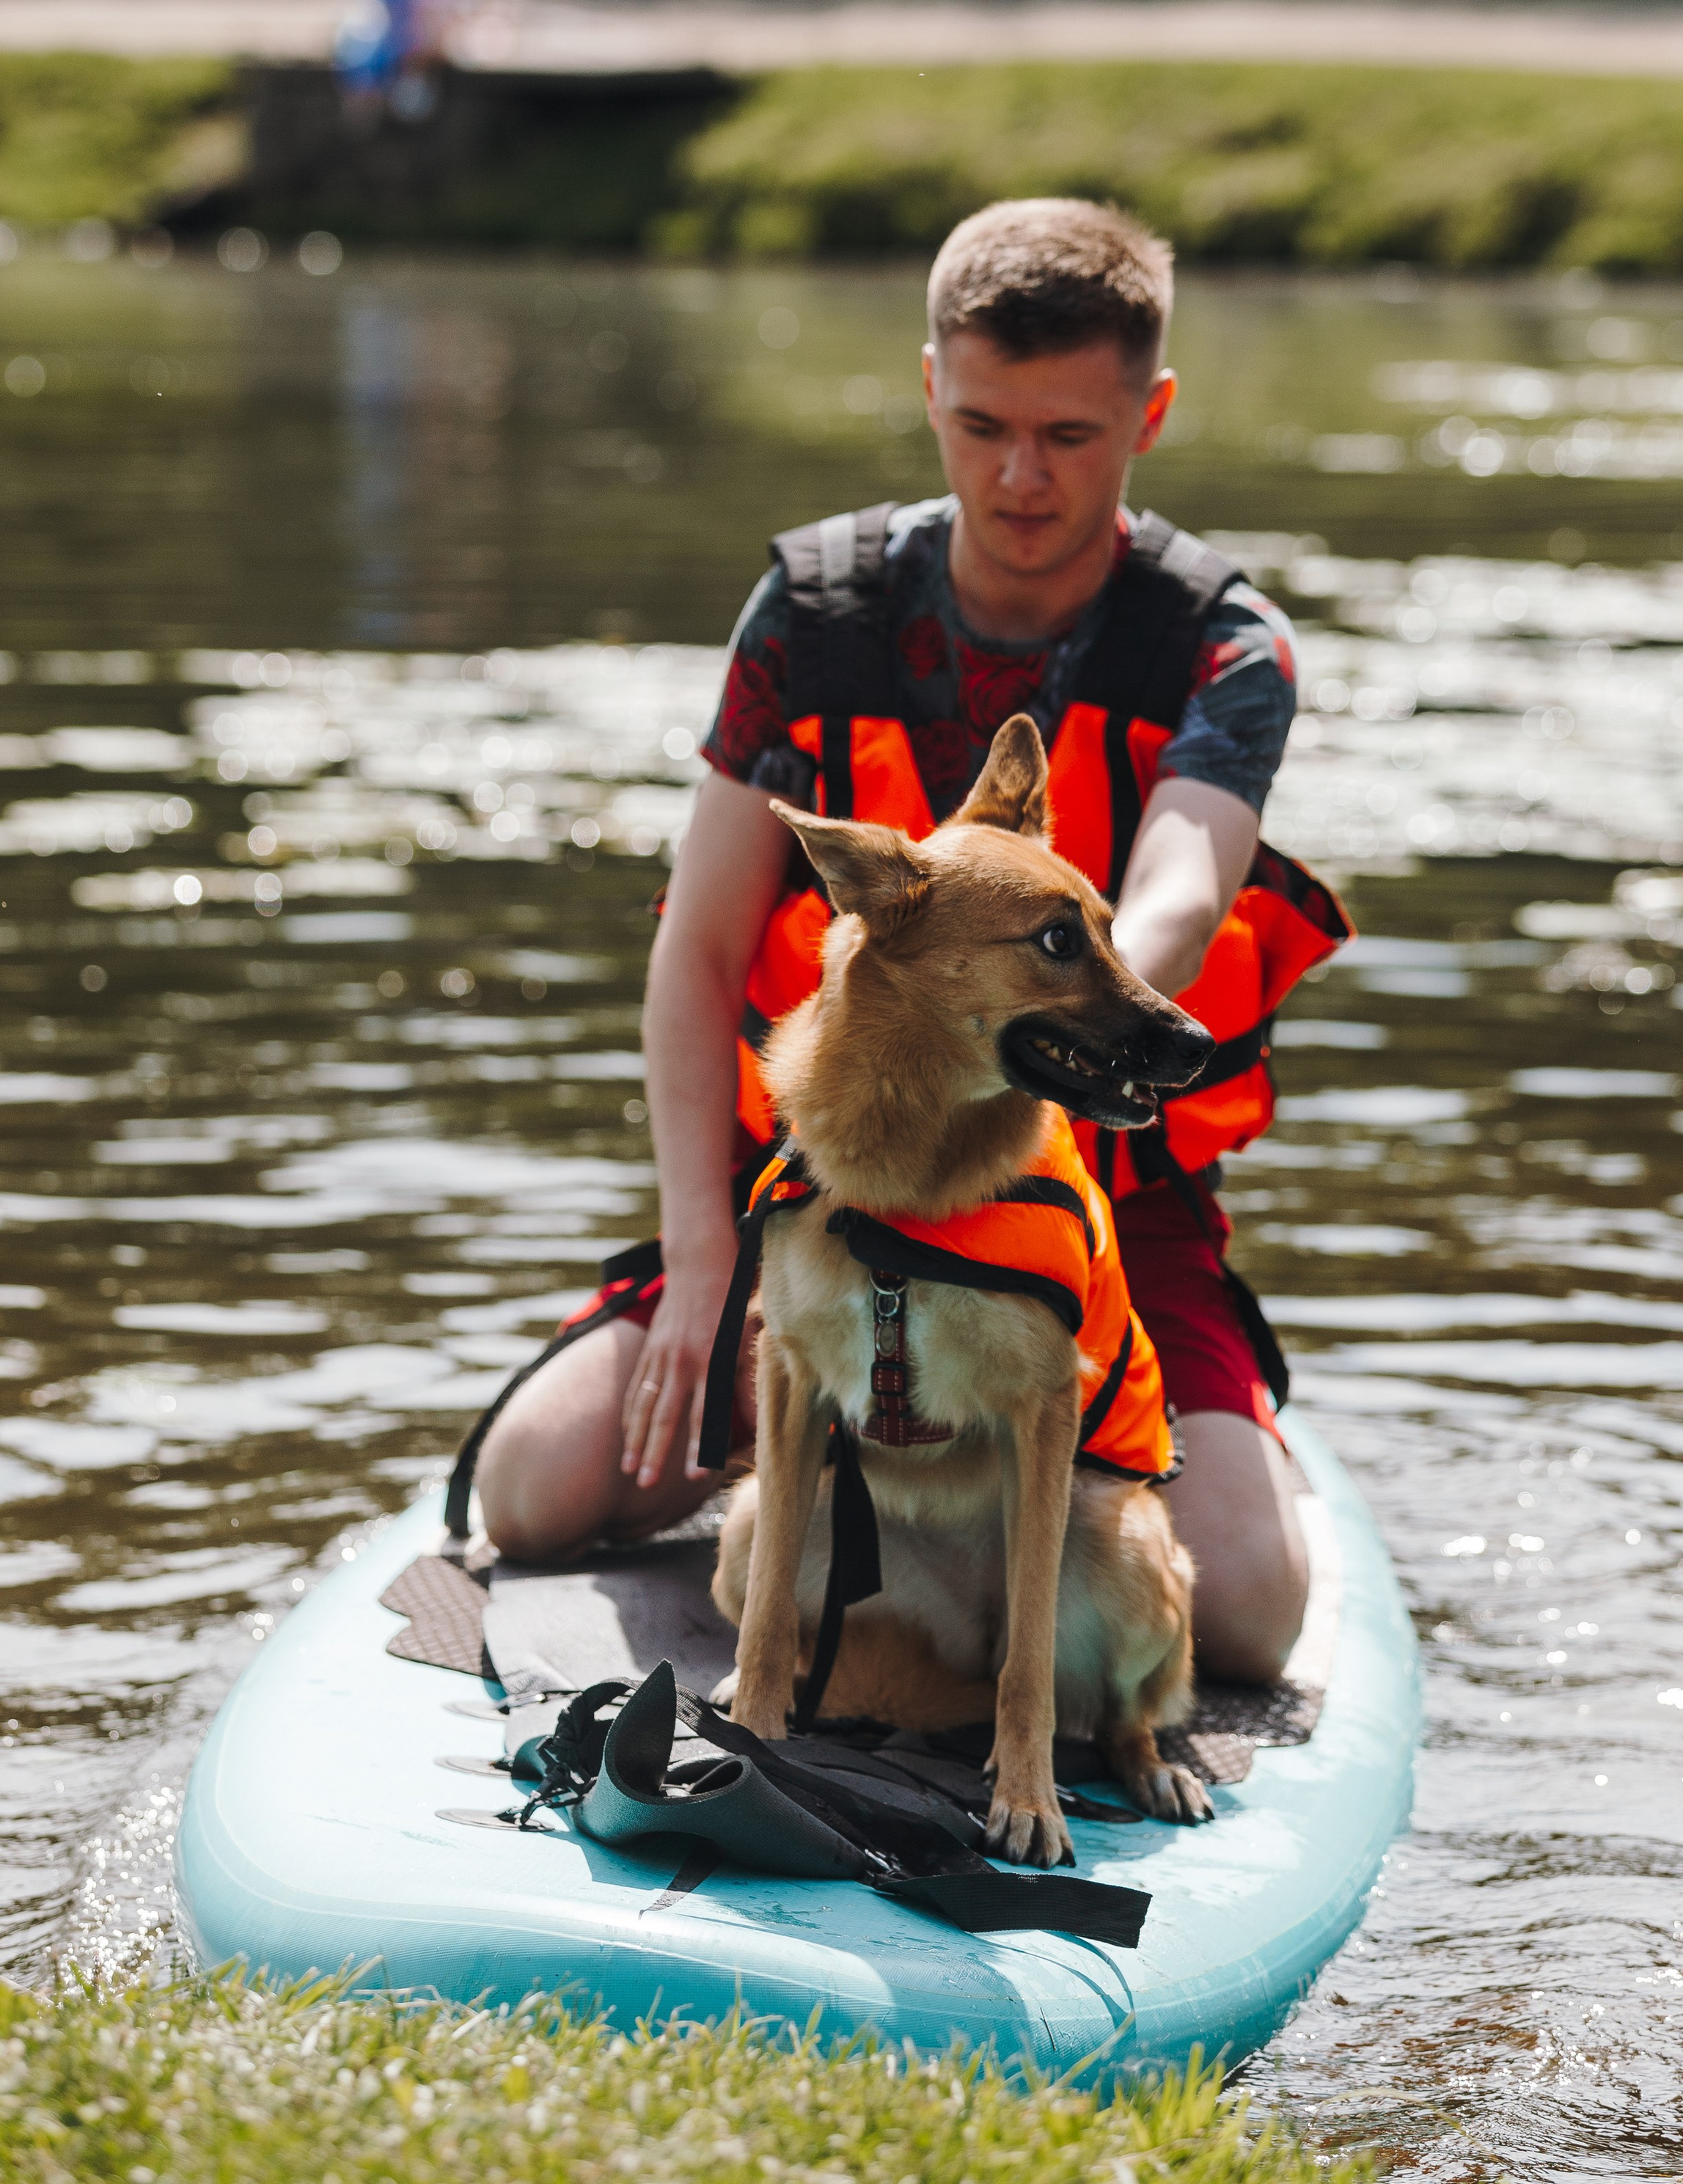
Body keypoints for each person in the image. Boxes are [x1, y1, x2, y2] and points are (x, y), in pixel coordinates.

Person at [479, 198, 1336, 1682]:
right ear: (928, 385)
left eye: (1068, 434)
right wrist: (702, 1260)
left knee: (1251, 1615)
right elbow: (695, 956)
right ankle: (826, 1511)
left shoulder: (1223, 644)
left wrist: (1063, 983)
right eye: (980, 422)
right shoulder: (812, 613)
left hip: (1098, 1212)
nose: (1018, 474)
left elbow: (1181, 893)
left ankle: (1214, 1461)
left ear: (1152, 411)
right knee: (537, 1489)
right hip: (825, 1191)